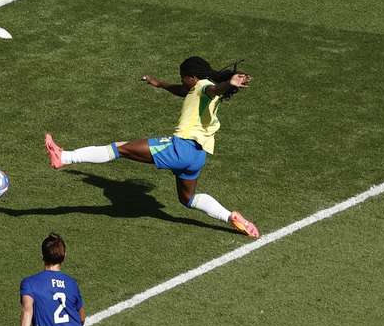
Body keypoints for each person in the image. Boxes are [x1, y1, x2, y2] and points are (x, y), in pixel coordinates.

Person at [45, 56, 260, 239]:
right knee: (188, 199)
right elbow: (185, 91)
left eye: (182, 77)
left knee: (120, 148)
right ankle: (229, 216)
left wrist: (229, 83)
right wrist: (159, 84)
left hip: (180, 149)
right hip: (197, 156)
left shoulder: (205, 87)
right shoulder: (198, 89)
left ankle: (64, 158)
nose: (181, 80)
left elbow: (214, 89)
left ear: (192, 78)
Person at [12, 233, 105, 326]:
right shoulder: (72, 284)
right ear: (64, 256)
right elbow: (81, 317)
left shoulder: (30, 283)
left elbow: (27, 310)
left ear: (42, 255)